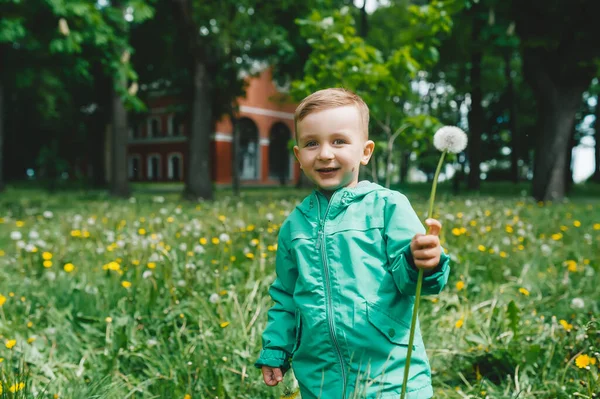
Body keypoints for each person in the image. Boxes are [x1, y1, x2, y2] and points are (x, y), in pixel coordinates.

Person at [254, 88, 450, 399]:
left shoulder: (388, 207)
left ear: (365, 151)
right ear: (298, 156)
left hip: (388, 374)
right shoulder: (294, 226)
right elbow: (286, 297)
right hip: (320, 378)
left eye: (339, 141)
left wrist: (422, 261)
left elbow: (413, 281)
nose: (325, 153)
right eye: (311, 143)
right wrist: (277, 347)